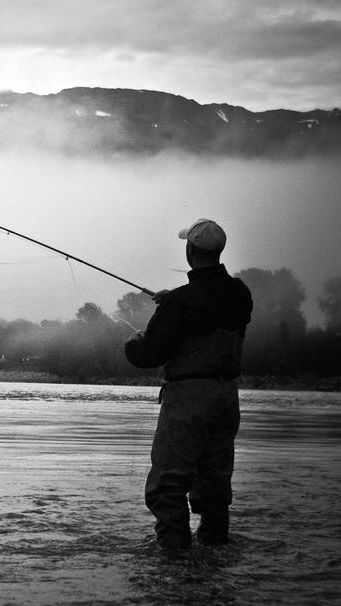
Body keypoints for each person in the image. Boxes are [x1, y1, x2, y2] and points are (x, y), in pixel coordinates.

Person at [124, 218, 253, 550]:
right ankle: (215, 549)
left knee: (167, 484)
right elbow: (209, 304)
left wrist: (132, 343)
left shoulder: (181, 302)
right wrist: (174, 302)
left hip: (189, 398)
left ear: (190, 250)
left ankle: (174, 559)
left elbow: (149, 354)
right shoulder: (240, 293)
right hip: (226, 397)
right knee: (214, 483)